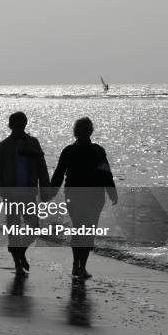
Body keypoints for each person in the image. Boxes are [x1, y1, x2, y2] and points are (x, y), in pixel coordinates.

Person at [50, 117, 118, 279]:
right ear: (90, 131)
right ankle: (81, 266)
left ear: (76, 132)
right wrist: (112, 192)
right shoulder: (97, 150)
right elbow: (106, 174)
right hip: (93, 196)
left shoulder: (69, 150)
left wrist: (50, 192)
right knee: (88, 230)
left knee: (79, 228)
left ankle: (77, 265)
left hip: (74, 195)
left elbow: (59, 174)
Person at [0, 112, 50, 275]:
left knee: (34, 229)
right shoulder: (3, 146)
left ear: (25, 124)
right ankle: (17, 264)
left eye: (22, 123)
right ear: (11, 125)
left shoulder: (33, 142)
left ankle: (21, 252)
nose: (19, 126)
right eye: (16, 123)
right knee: (14, 229)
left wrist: (46, 189)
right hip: (10, 194)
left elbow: (42, 167)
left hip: (29, 194)